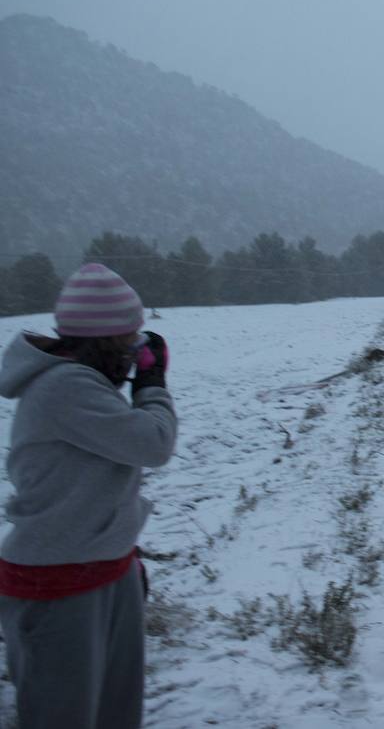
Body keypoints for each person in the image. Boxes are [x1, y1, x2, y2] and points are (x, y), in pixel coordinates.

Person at [0, 263, 177, 729]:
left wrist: (124, 555)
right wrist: (153, 386)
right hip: (58, 584)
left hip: (103, 567)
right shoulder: (64, 387)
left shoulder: (85, 382)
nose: (138, 353)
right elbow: (153, 444)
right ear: (104, 344)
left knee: (117, 712)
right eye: (132, 344)